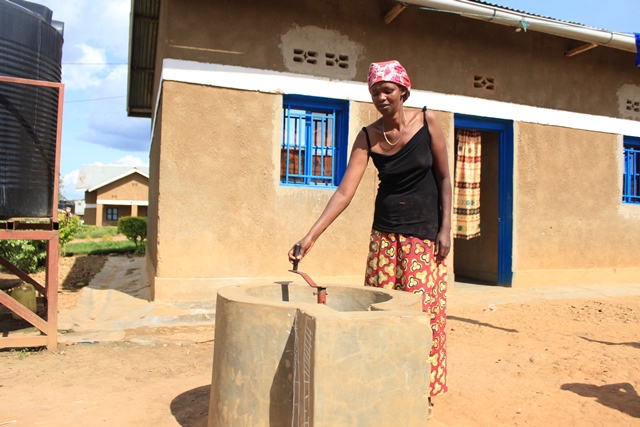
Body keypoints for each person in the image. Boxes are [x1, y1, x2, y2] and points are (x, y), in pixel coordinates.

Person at [288, 60, 452, 418]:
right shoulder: (367, 136)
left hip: (424, 238)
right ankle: (385, 386)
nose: (381, 97)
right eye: (375, 92)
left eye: (387, 90)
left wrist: (445, 228)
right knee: (380, 314)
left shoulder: (428, 121)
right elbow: (344, 191)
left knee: (422, 317)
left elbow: (443, 177)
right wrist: (310, 236)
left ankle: (421, 392)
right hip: (384, 240)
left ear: (403, 91)